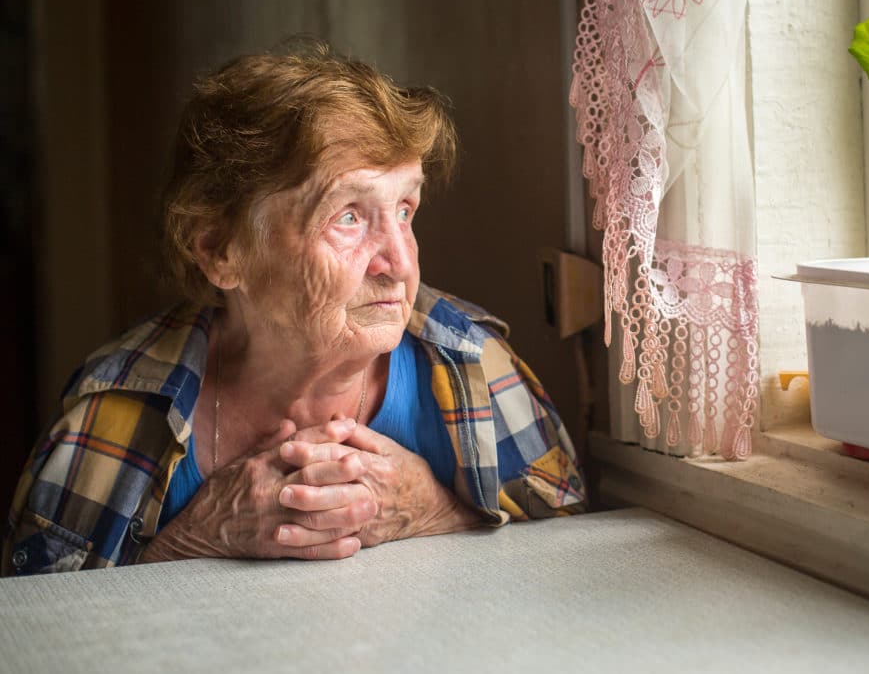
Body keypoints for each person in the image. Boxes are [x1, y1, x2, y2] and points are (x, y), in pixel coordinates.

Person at [3, 44, 585, 575]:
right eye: (348, 216)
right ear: (220, 252)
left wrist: (435, 512)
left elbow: (574, 567)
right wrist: (192, 539)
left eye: (405, 209)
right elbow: (40, 629)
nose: (399, 262)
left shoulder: (474, 366)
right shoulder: (118, 407)